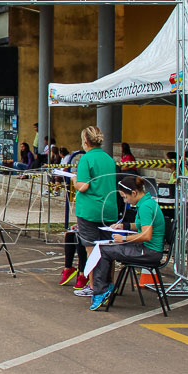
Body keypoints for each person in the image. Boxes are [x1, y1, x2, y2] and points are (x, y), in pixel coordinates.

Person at [86, 175, 166, 310]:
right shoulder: (147, 203)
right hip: (147, 248)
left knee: (103, 250)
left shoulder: (145, 207)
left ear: (134, 193)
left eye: (125, 197)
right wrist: (125, 226)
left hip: (149, 251)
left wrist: (123, 239)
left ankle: (100, 291)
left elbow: (146, 235)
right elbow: (141, 225)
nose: (125, 201)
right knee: (108, 246)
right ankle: (107, 286)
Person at [70, 126, 118, 295]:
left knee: (91, 250)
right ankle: (110, 284)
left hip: (90, 210)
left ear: (85, 141)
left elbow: (83, 186)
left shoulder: (86, 159)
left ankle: (93, 286)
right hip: (109, 208)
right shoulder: (109, 159)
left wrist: (74, 179)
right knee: (108, 249)